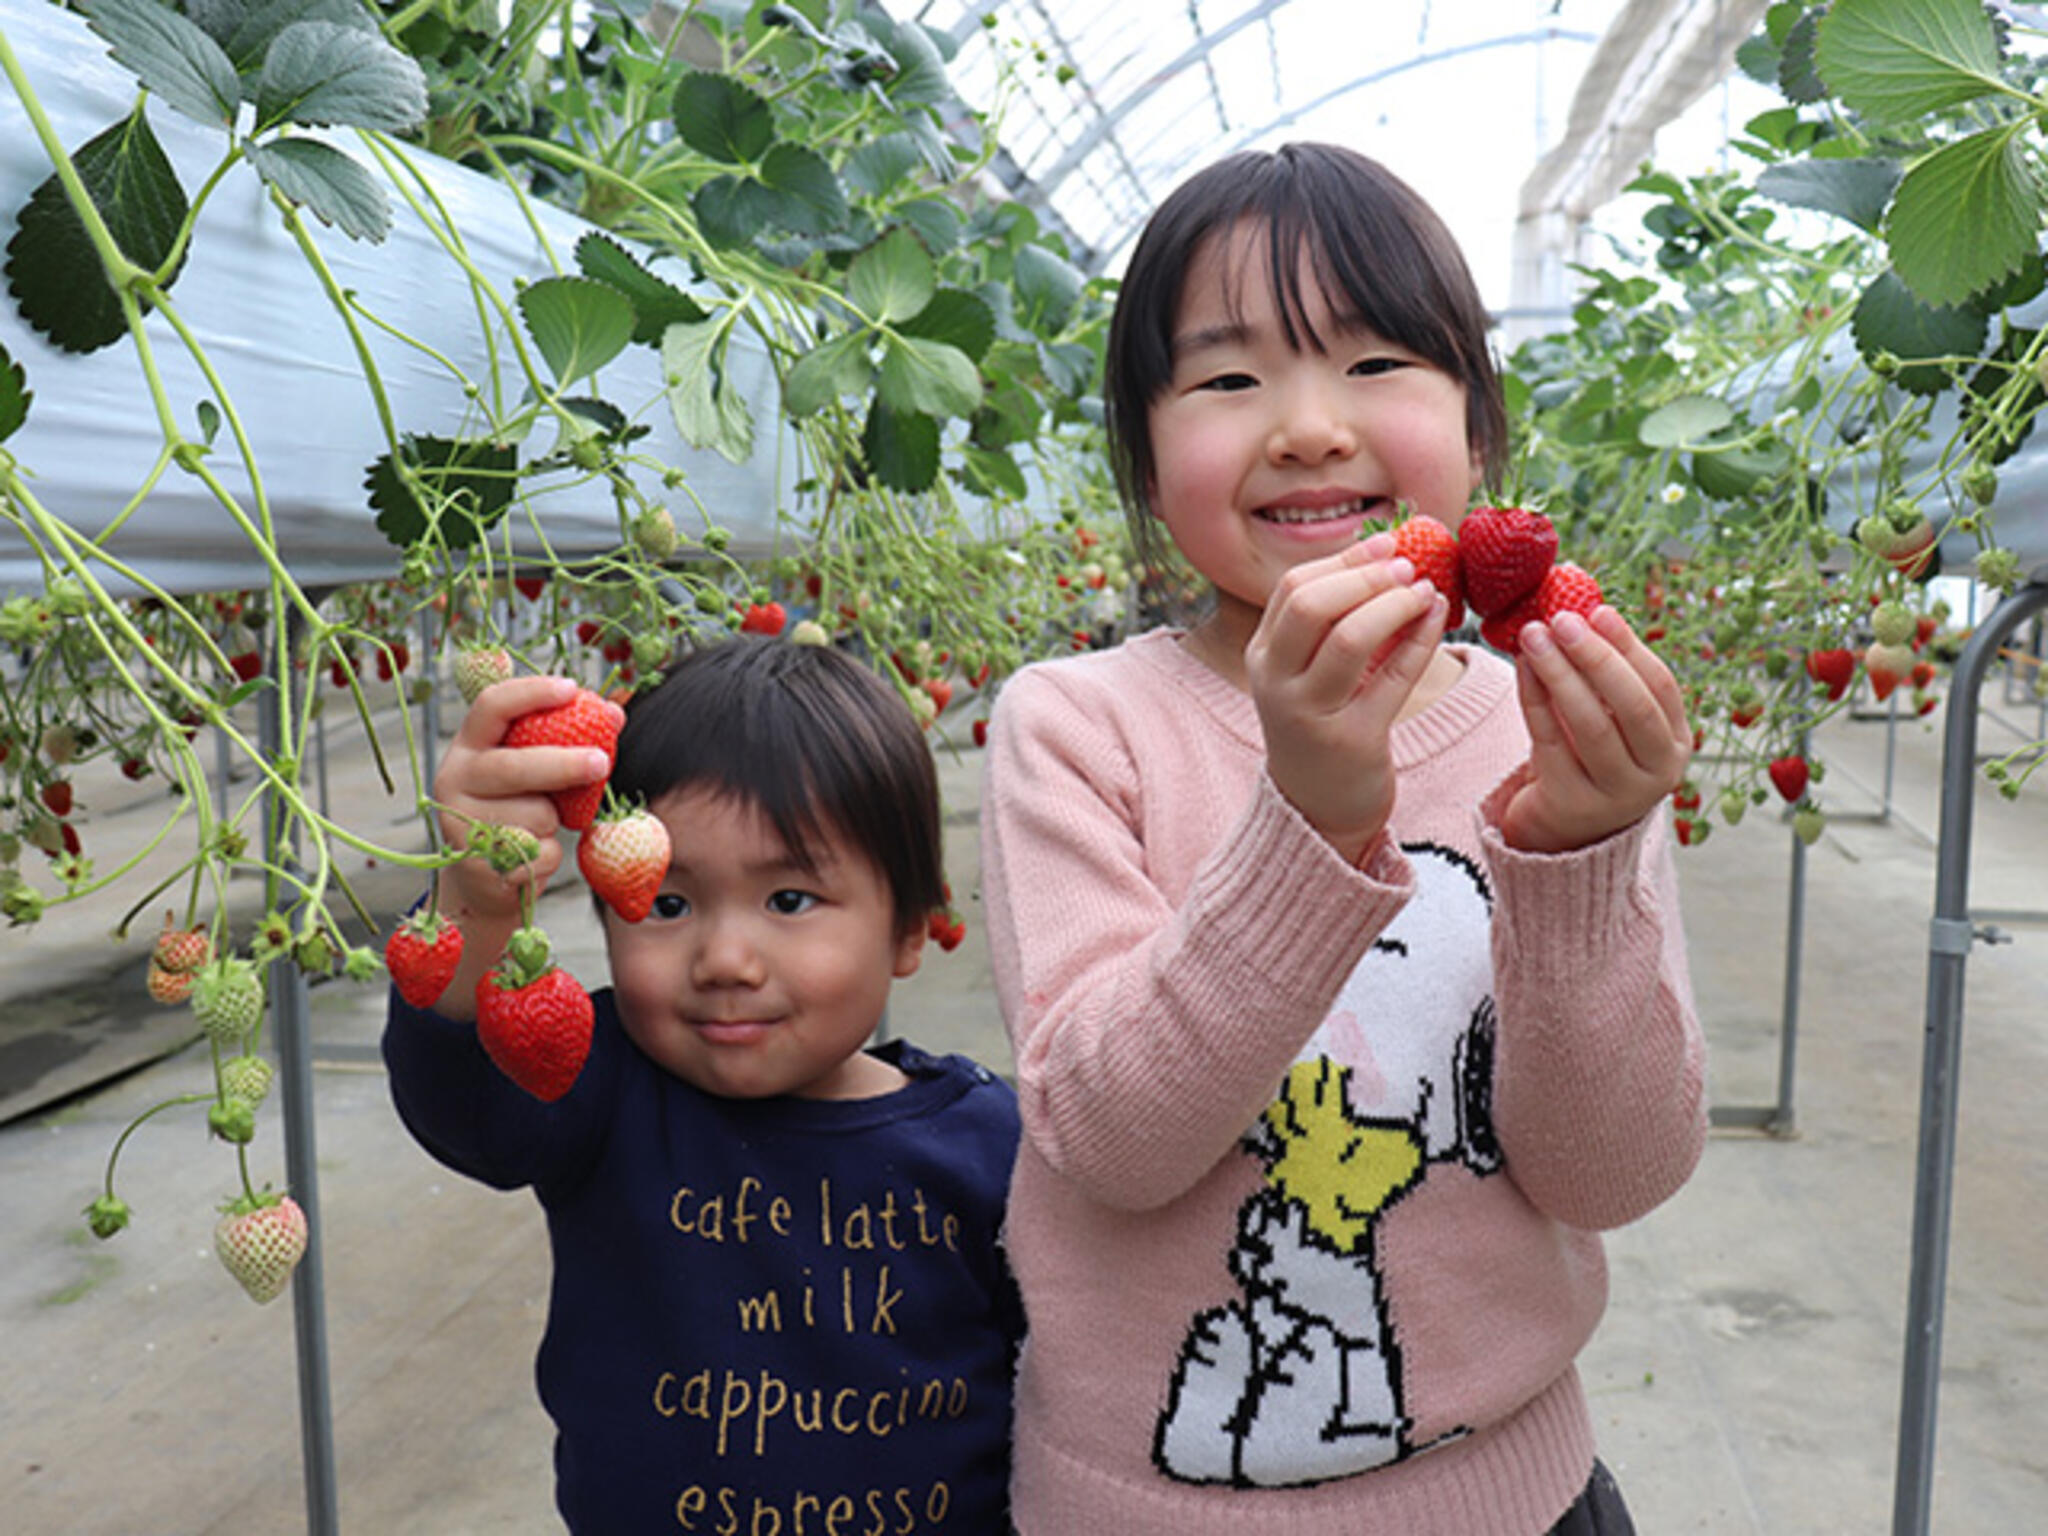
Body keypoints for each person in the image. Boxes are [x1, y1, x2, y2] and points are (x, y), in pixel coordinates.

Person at [978, 142, 1706, 1535]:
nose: (1309, 426)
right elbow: (1113, 1140)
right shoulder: (1075, 726)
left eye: (1378, 364)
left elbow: (1614, 1174)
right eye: (1231, 377)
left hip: (1518, 1497)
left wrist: (1580, 851)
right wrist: (1309, 814)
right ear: (1141, 448)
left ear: (1479, 428)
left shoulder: (1543, 733)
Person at [384, 636, 1023, 1535]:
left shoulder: (988, 1145)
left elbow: (1061, 1396)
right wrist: (476, 908)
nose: (725, 960)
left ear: (913, 926)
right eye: (668, 905)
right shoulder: (602, 1093)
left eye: (790, 900)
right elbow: (463, 1108)